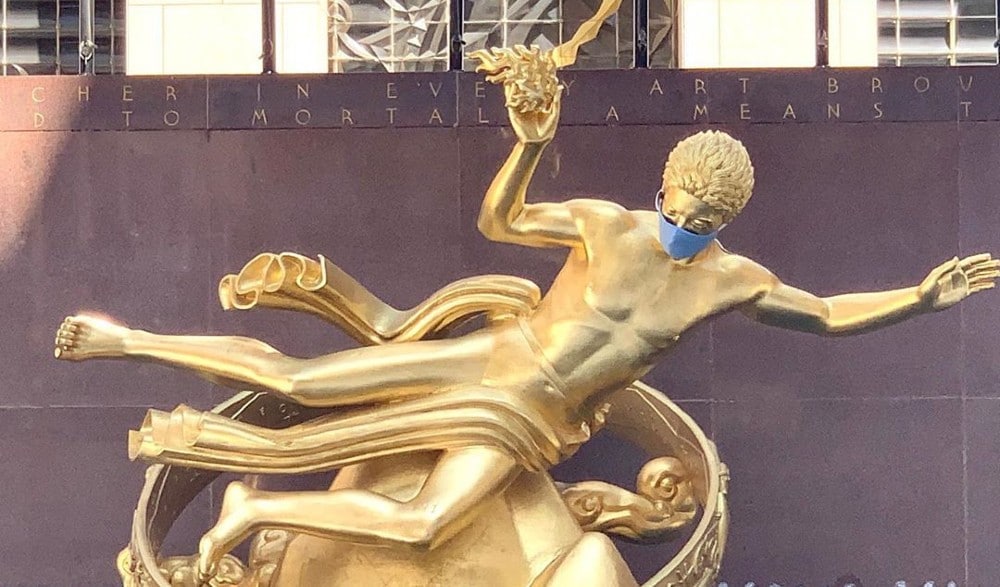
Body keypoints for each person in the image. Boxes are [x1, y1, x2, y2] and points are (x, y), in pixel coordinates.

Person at [54, 71, 997, 579]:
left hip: (530, 421)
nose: (684, 224)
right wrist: (530, 142)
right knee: (297, 380)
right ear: (663, 185)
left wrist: (918, 297)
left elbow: (826, 315)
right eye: (678, 206)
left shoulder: (729, 281)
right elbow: (501, 221)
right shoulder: (605, 224)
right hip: (494, 360)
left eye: (704, 219)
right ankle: (127, 339)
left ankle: (254, 508)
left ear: (726, 220)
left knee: (424, 522)